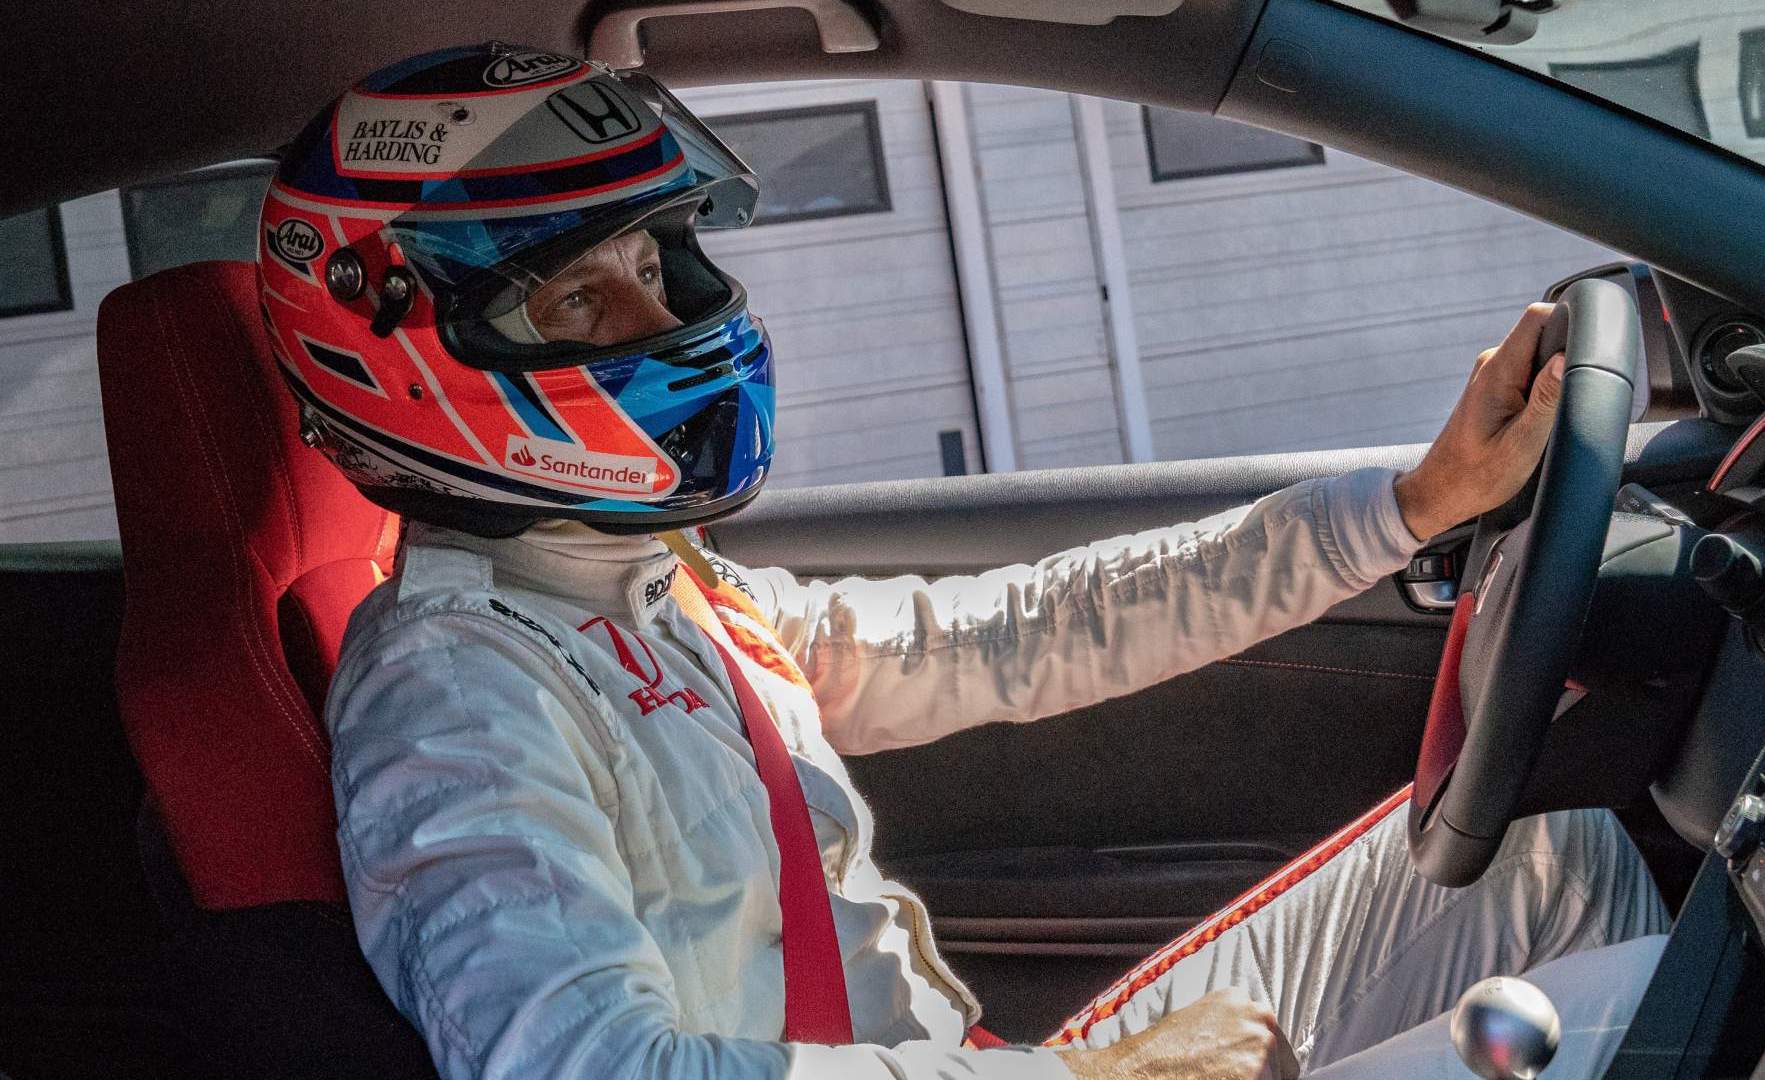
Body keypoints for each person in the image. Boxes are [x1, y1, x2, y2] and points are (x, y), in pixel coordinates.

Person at [259, 43, 1670, 1080]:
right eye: (582, 296)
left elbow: (1019, 629)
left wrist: (1411, 506)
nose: (660, 319)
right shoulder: (454, 695)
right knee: (1642, 1012)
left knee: (1556, 863)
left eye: (650, 266)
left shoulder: (650, 590)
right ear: (410, 354)